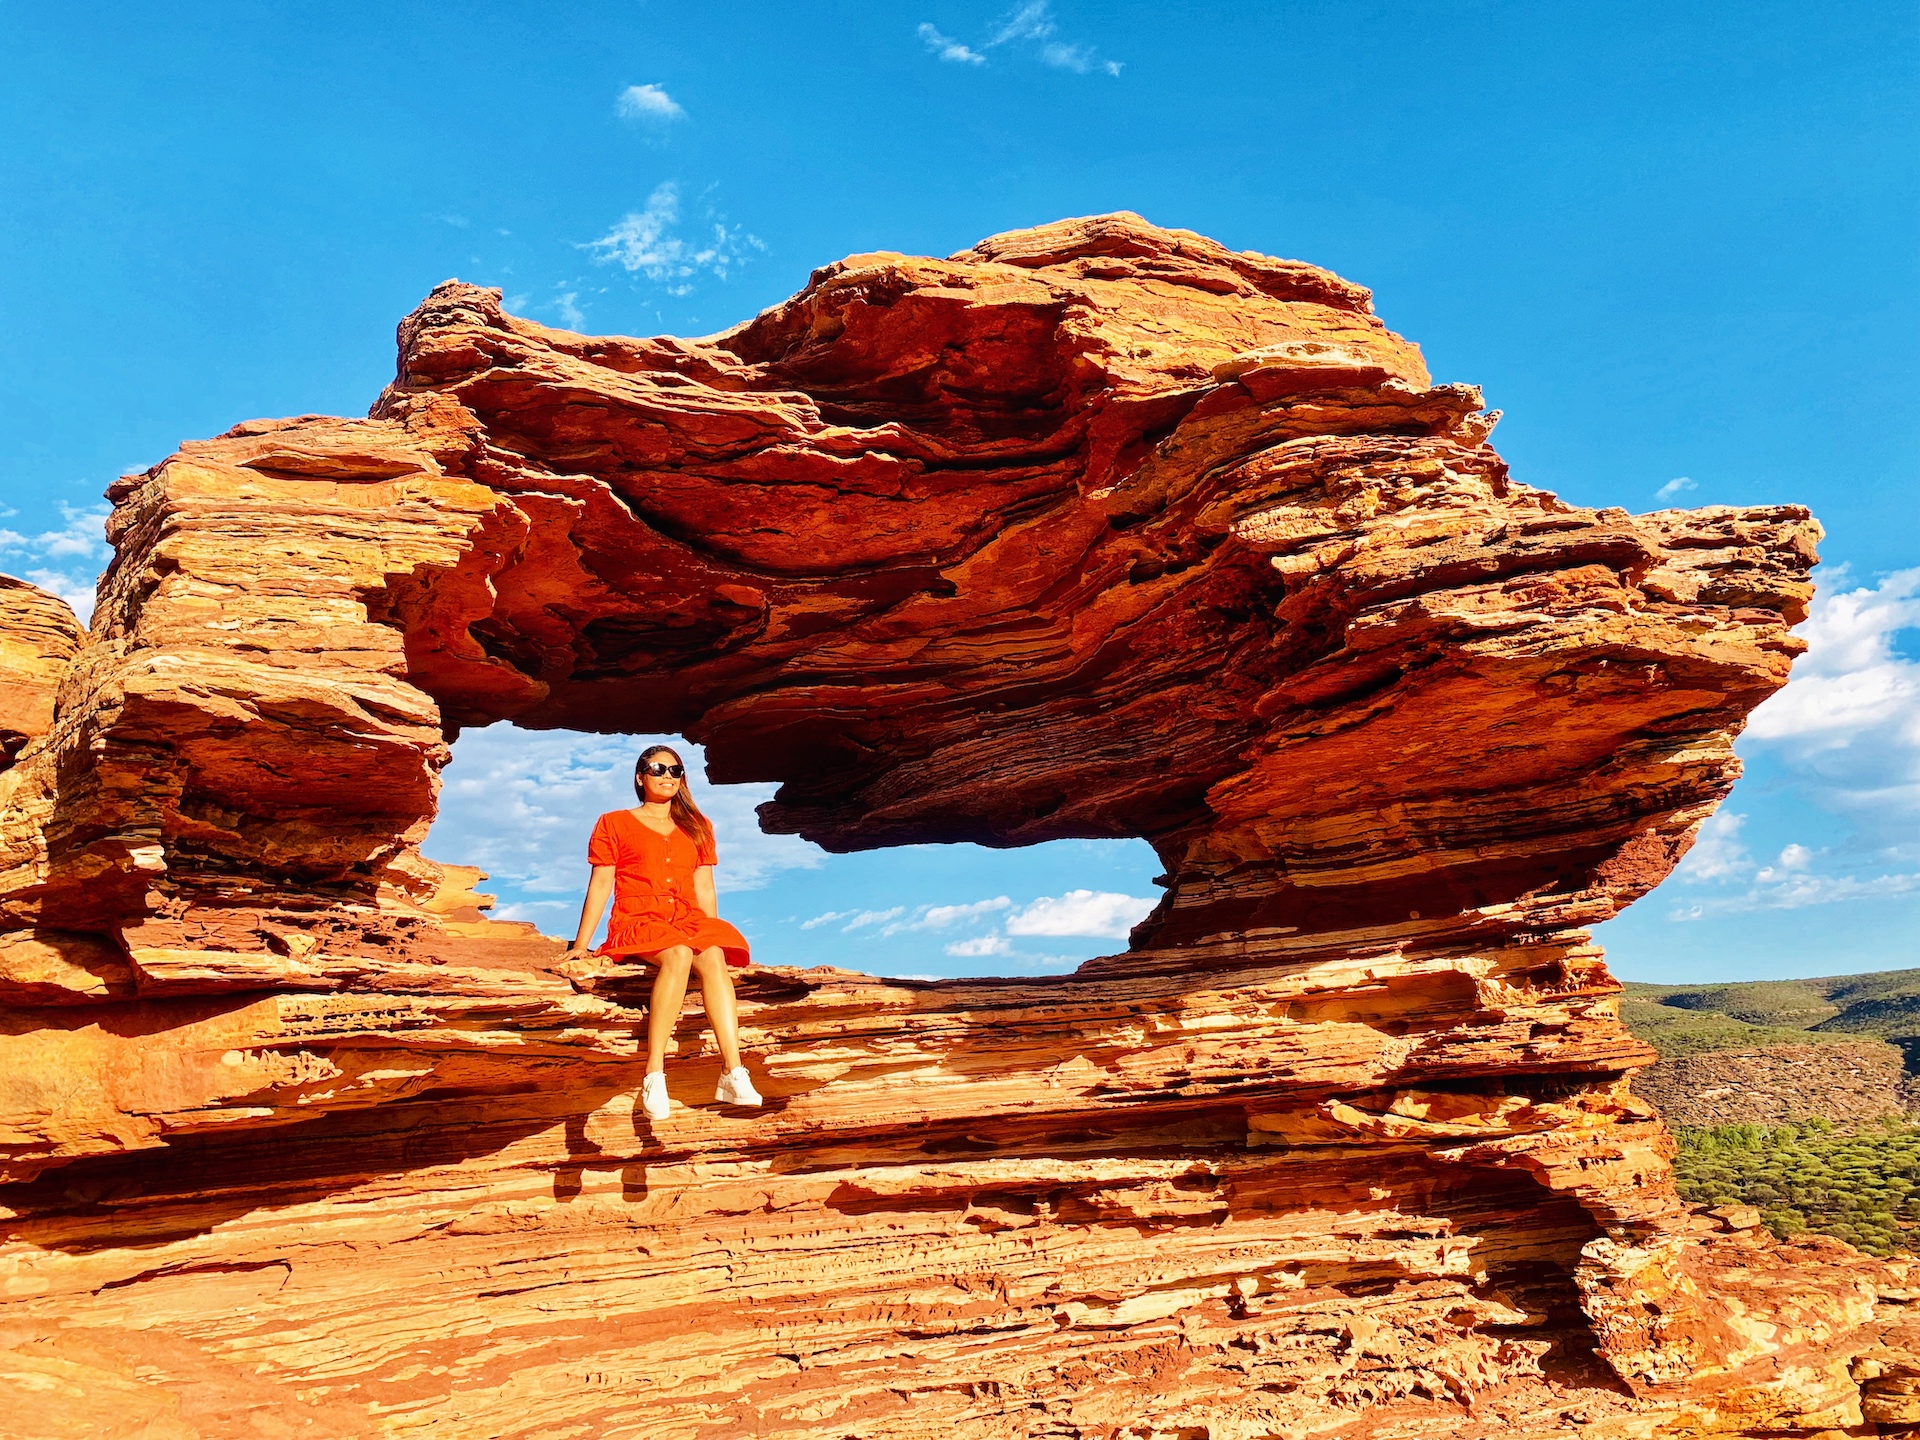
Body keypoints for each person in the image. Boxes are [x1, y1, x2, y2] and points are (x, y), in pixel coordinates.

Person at [561, 744, 762, 1121]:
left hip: (686, 918)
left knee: (712, 955)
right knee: (679, 954)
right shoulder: (613, 822)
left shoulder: (698, 826)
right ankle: (654, 1074)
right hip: (638, 918)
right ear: (640, 777)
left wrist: (711, 933)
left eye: (675, 770)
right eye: (658, 769)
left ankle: (733, 1071)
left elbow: (705, 888)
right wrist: (582, 945)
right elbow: (601, 884)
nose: (668, 776)